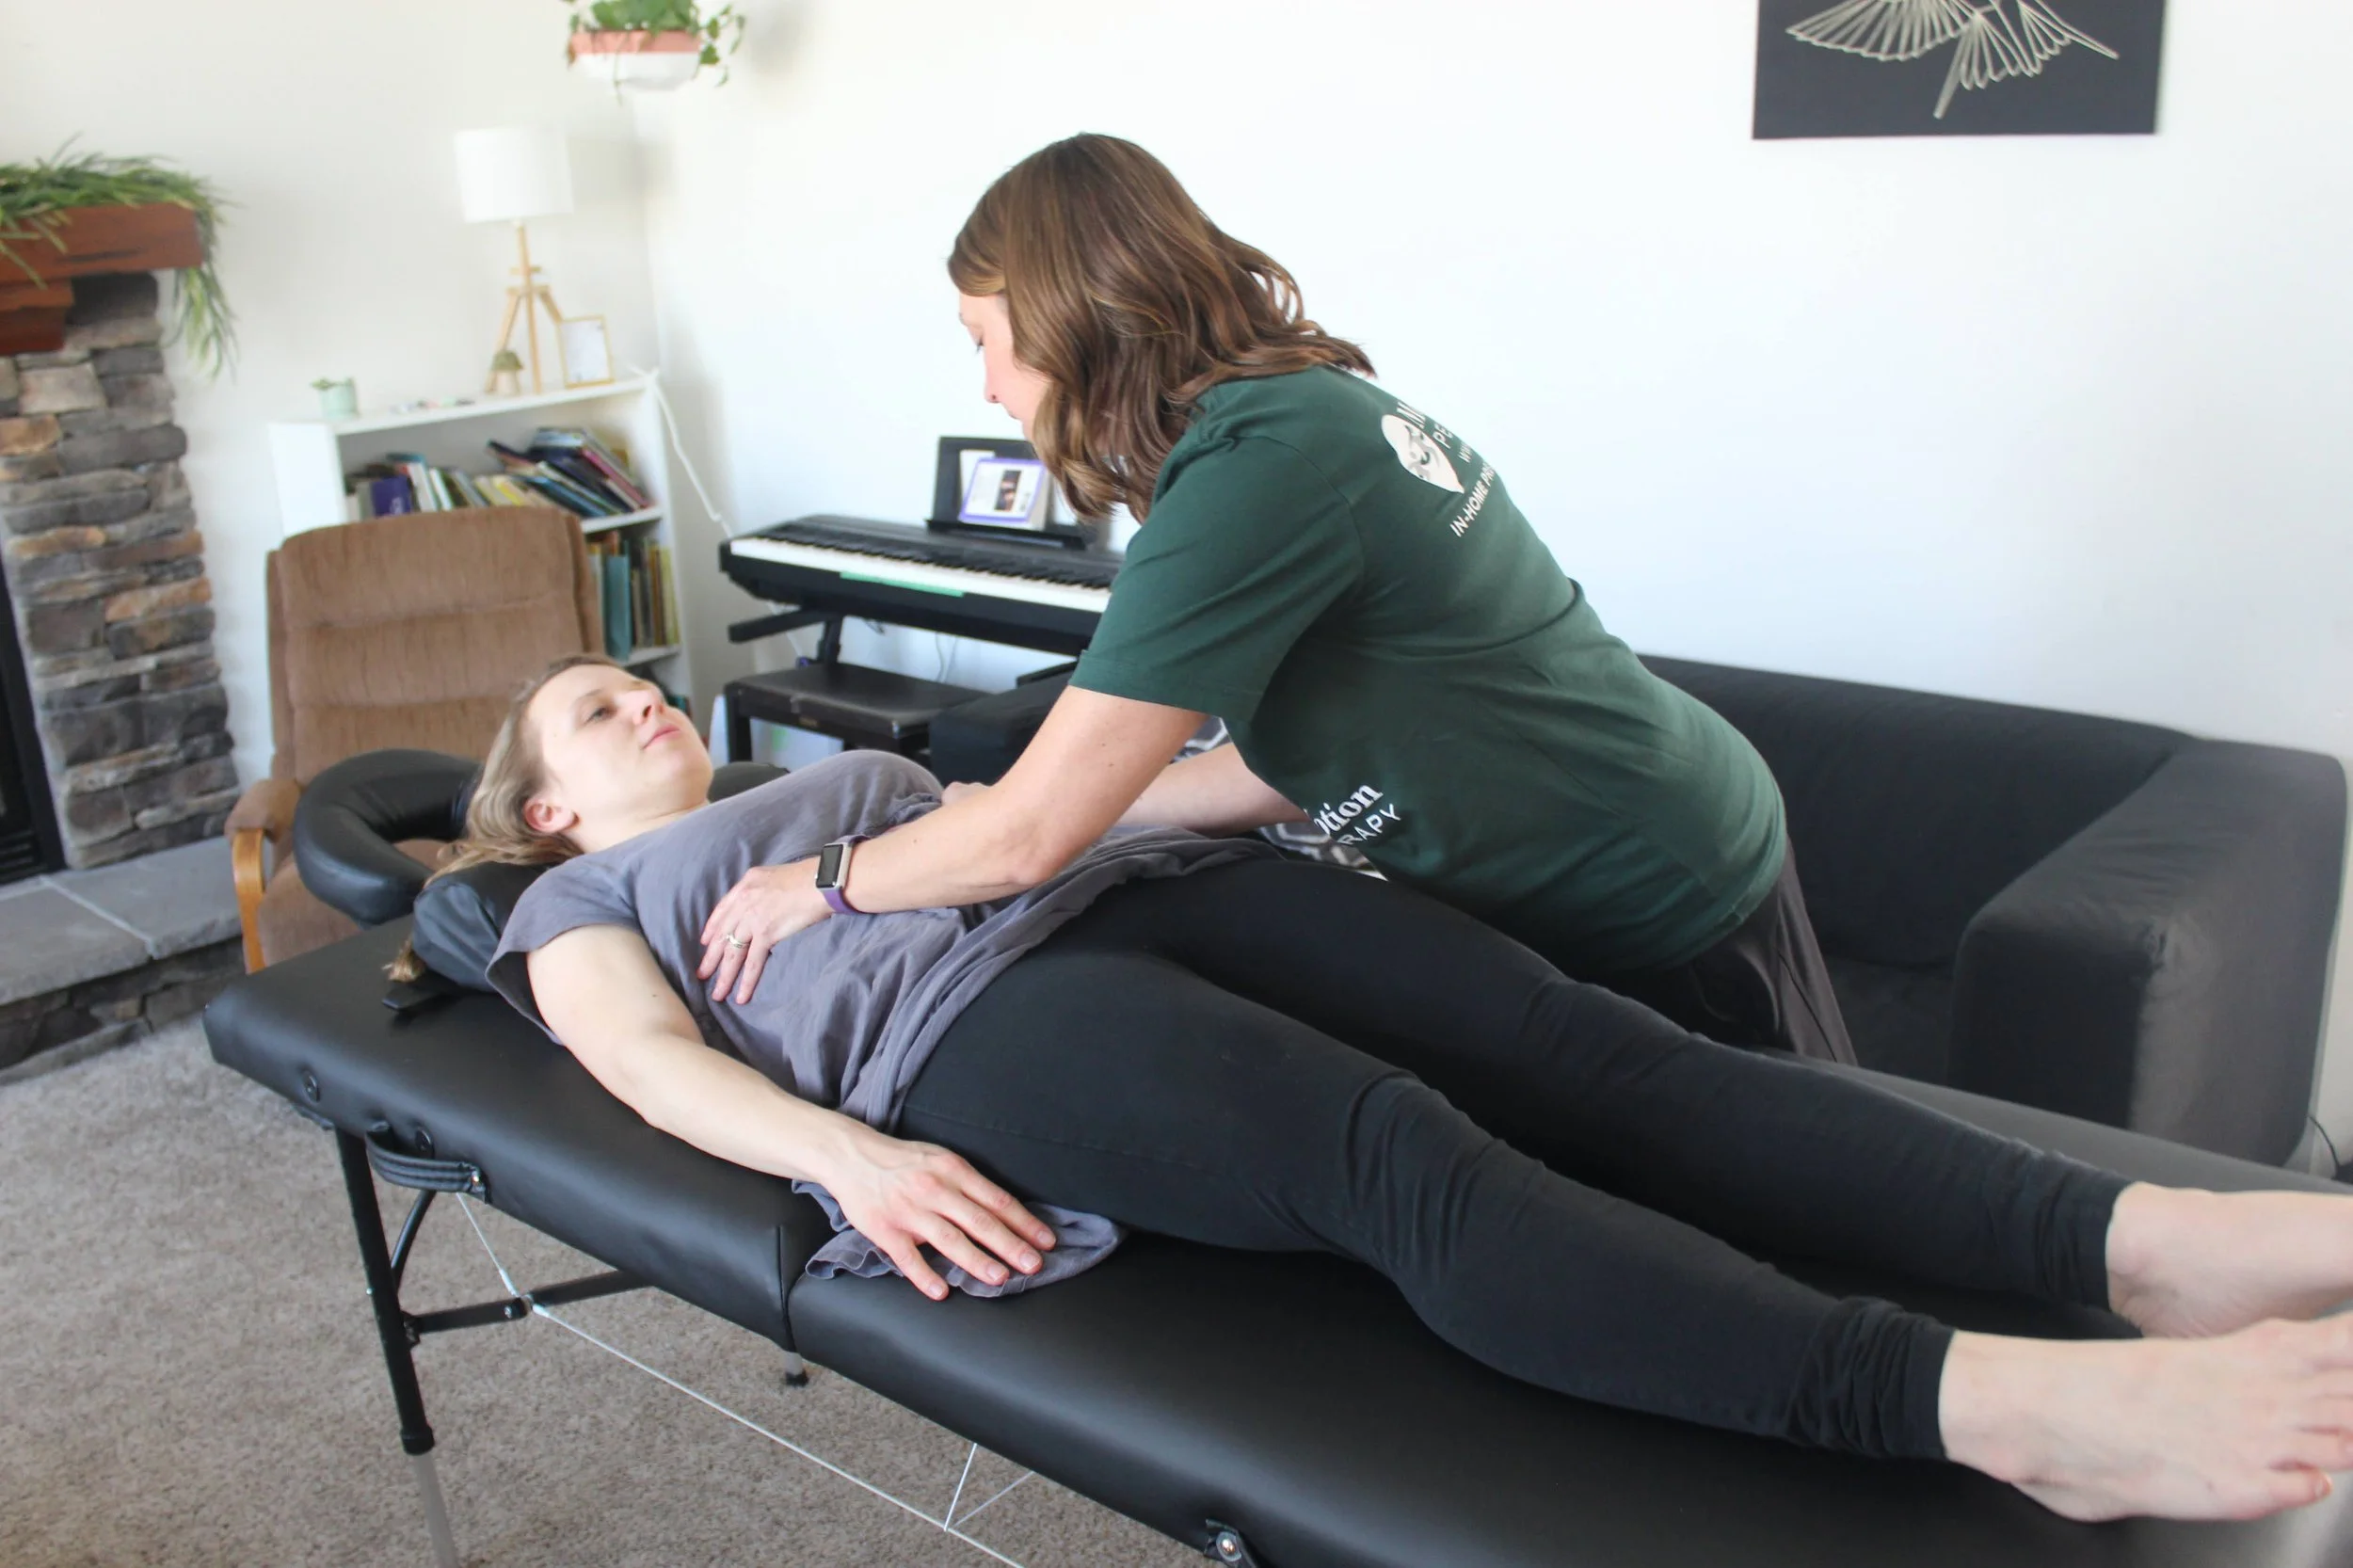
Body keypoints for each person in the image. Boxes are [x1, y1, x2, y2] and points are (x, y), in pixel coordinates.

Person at [459, 655, 2353, 1525]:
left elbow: (1072, 804)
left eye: (638, 678)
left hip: (1153, 881)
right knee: (1402, 1156)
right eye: (592, 709)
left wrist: (1254, 776)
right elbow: (640, 1063)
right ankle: (1992, 1405)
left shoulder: (847, 770)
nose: (640, 699)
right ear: (547, 802)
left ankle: (2139, 1234)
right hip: (979, 1023)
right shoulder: (581, 895)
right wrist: (852, 1159)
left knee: (1609, 1051)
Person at [692, 133, 1853, 1064]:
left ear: (1068, 316)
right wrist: (1080, 800)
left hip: (1653, 880)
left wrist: (823, 880)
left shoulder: (1256, 473)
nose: (988, 388)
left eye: (986, 342)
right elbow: (1284, 757)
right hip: (1653, 828)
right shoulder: (1286, 413)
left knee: (1795, 1241)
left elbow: (1027, 841)